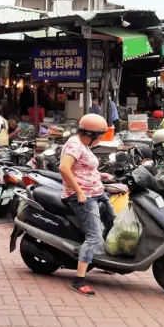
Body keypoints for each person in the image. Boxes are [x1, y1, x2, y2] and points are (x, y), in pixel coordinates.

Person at [59, 113, 116, 297]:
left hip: (97, 191)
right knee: (94, 236)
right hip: (83, 197)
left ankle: (104, 261)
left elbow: (84, 168)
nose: (99, 139)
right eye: (98, 136)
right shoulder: (74, 145)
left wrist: (101, 175)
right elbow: (64, 168)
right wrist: (80, 192)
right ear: (90, 134)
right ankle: (79, 280)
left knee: (112, 221)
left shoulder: (84, 144)